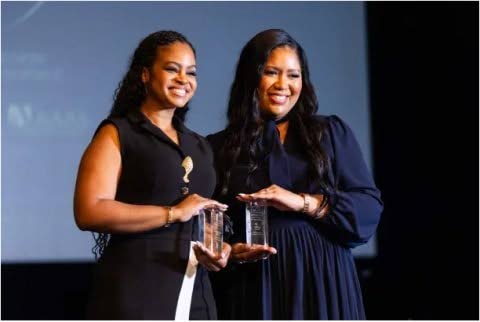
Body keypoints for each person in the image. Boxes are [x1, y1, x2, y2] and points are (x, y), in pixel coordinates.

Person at [207, 29, 383, 319]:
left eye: (293, 75)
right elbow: (210, 229)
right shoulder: (217, 147)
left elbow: (367, 210)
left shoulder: (330, 133)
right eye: (271, 72)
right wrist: (228, 250)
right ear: (251, 77)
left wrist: (302, 201)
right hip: (254, 288)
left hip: (325, 282)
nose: (283, 85)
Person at [73, 30, 231, 320]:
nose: (184, 79)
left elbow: (205, 215)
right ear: (145, 75)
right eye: (172, 69)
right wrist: (172, 213)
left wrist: (219, 249)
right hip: (136, 287)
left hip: (195, 290)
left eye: (191, 72)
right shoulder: (118, 133)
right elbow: (89, 210)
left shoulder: (200, 145)